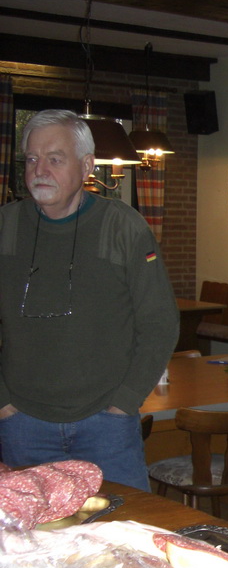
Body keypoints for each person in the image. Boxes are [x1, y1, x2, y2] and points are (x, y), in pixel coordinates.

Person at [0, 109, 178, 490]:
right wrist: (3, 403)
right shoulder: (6, 227)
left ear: (86, 166)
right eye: (31, 159)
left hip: (107, 427)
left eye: (54, 159)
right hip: (23, 426)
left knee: (123, 524)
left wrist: (124, 403)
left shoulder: (124, 228)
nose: (39, 170)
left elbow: (160, 324)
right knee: (31, 529)